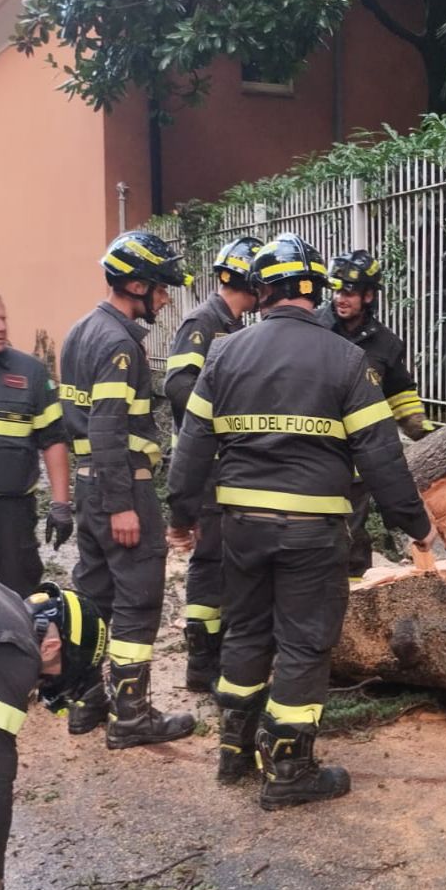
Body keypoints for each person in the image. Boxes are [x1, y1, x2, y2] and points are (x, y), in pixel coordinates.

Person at [167, 232, 436, 810]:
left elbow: (191, 445)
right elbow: (379, 455)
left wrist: (180, 514)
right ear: (315, 290)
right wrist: (414, 524)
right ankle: (289, 769)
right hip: (313, 532)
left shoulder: (225, 353)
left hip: (240, 524)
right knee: (305, 643)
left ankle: (234, 752)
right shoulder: (346, 358)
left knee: (245, 631)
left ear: (262, 291)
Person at [59, 231, 196, 747]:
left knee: (94, 596)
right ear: (135, 284)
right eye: (159, 287)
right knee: (137, 601)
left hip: (89, 484)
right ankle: (132, 715)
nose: (163, 297)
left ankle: (86, 701)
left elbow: (77, 421)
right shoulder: (119, 344)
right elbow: (107, 427)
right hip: (121, 488)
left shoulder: (80, 331)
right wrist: (123, 506)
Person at [163, 236, 261, 691]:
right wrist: (219, 423)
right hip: (208, 462)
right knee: (208, 557)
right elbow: (179, 384)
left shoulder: (233, 325)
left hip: (226, 460)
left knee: (223, 556)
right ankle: (203, 663)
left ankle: (217, 655)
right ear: (251, 279)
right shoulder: (204, 321)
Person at [0, 576, 107, 890]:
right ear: (51, 648)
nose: (41, 684)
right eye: (52, 678)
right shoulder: (15, 650)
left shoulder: (6, 599)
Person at [321, 250, 434, 580]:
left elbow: (400, 393)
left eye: (350, 292)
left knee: (354, 543)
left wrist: (422, 429)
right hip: (314, 456)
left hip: (356, 466)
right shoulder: (314, 329)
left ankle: (356, 611)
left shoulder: (386, 345)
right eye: (338, 290)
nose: (341, 298)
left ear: (369, 295)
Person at [0, 288, 72, 596]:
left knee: (18, 593)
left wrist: (61, 505)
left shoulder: (29, 372)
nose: (1, 327)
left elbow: (54, 439)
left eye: (3, 318)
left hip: (11, 509)